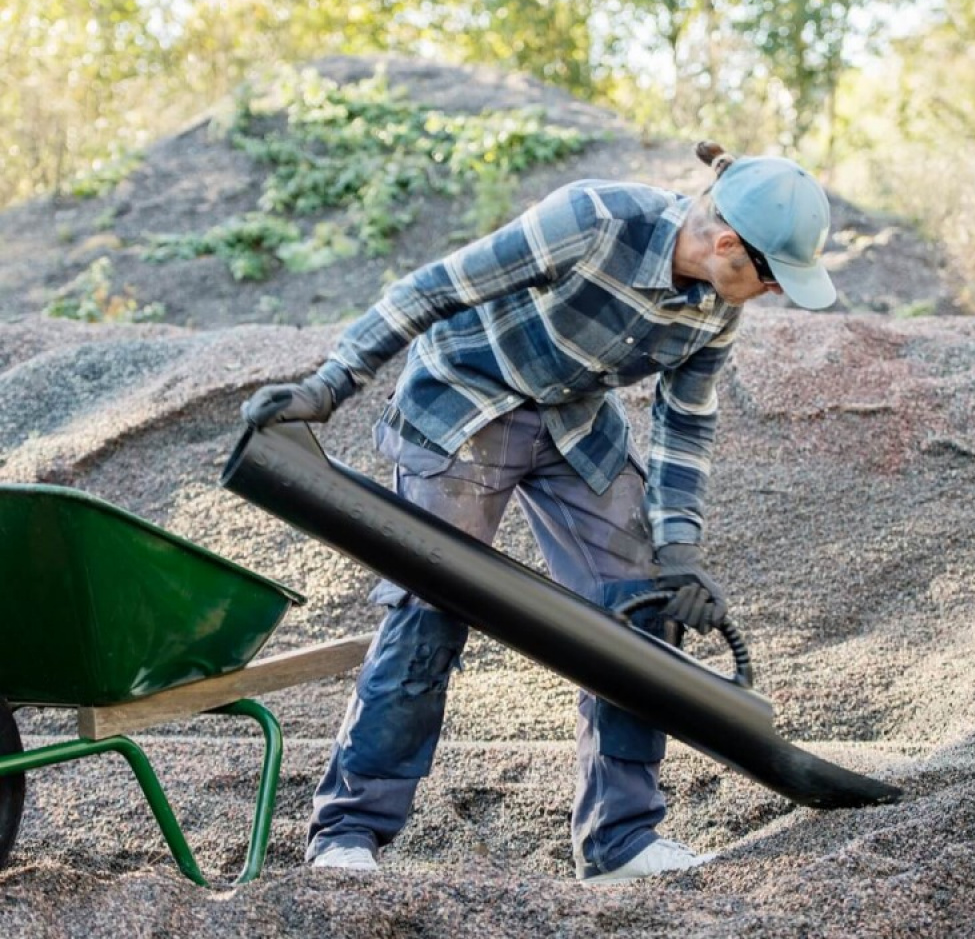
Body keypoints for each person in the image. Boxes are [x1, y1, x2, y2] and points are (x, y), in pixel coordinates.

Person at [241, 141, 836, 883]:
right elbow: (432, 288)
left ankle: (620, 841)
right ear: (726, 246)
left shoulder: (715, 310)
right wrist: (329, 386)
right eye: (774, 277)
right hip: (461, 404)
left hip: (572, 424)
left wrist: (678, 548)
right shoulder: (591, 220)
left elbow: (686, 422)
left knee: (640, 607)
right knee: (431, 607)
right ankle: (349, 831)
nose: (775, 293)